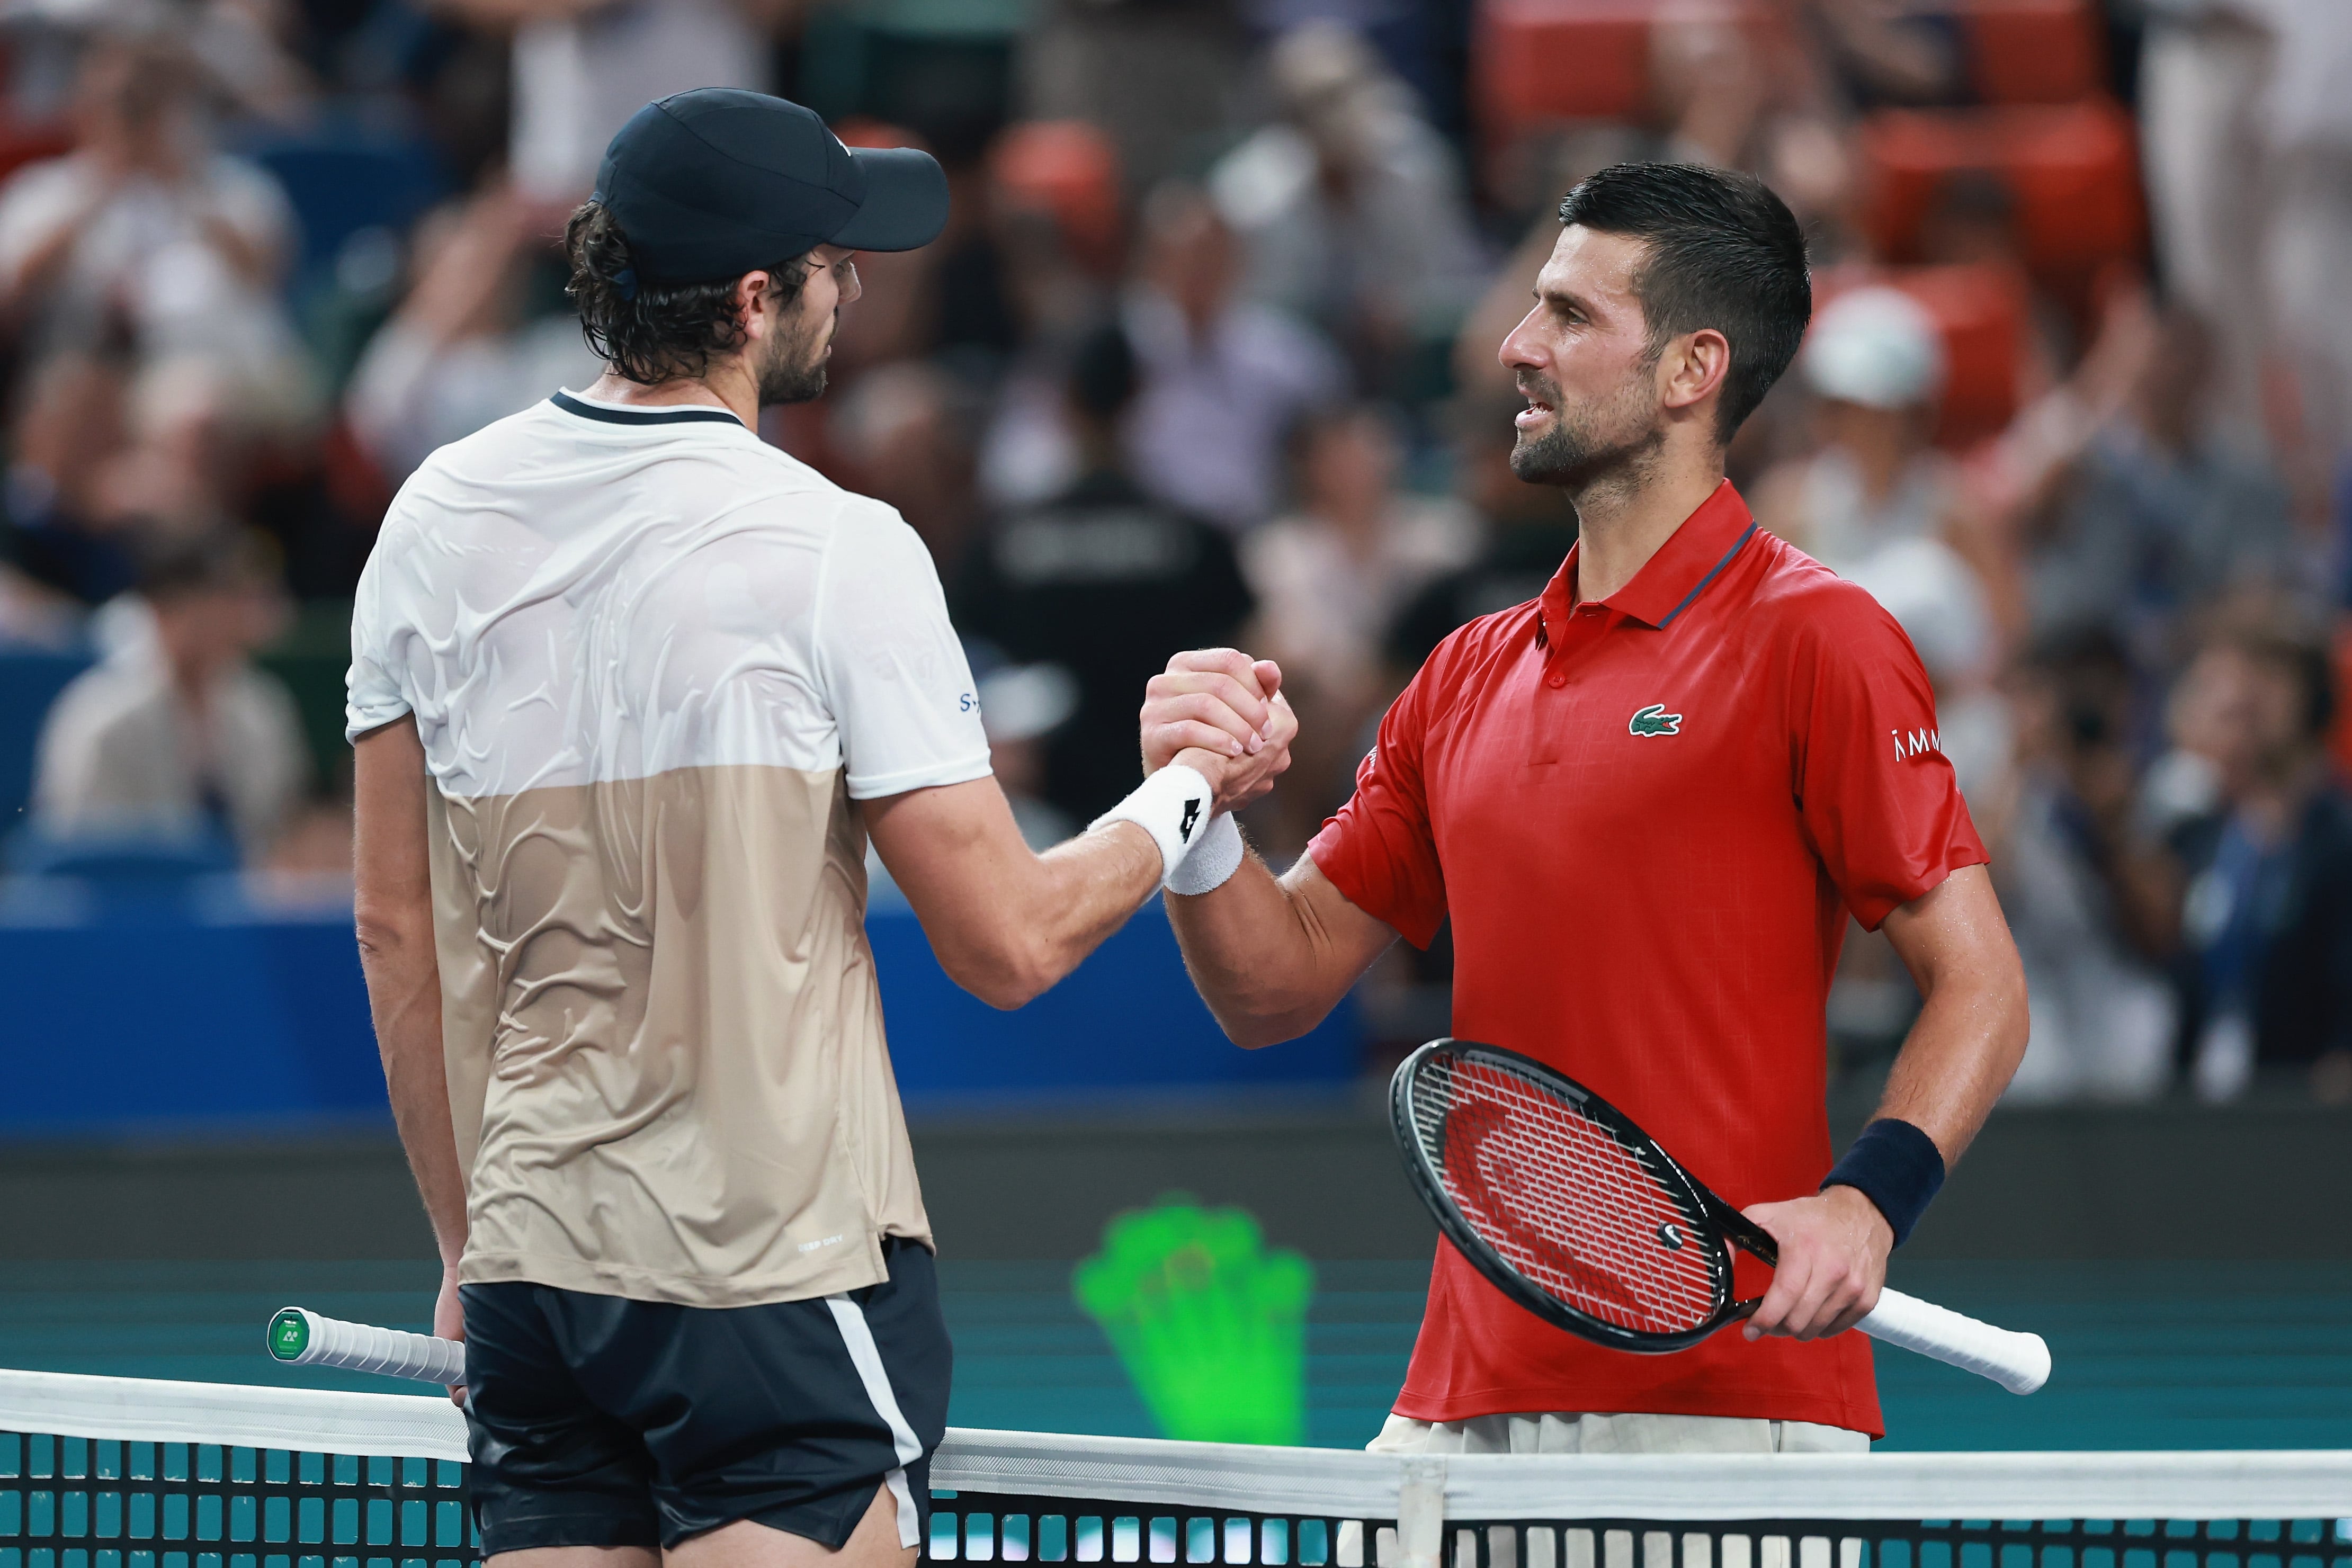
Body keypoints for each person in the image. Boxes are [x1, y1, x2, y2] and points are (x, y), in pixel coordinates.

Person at [344, 91, 1288, 1568]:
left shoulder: (430, 518)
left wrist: (470, 1249)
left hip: (535, 1276)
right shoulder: (840, 545)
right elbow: (1011, 943)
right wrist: (1189, 794)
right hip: (766, 1279)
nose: (856, 286)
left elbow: (397, 927)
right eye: (833, 262)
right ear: (752, 299)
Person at [1140, 163, 2029, 1453]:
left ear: (1690, 372)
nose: (1515, 344)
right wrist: (1195, 813)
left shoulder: (1818, 638)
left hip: (1730, 1430)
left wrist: (1864, 1205)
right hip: (1456, 1413)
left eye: (1567, 316)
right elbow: (1272, 986)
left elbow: (1982, 984)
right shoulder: (1459, 672)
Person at [953, 320, 1255, 826]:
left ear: (1062, 399)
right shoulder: (1196, 539)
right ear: (1139, 397)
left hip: (1034, 814)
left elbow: (963, 669)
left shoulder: (1001, 541)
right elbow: (1245, 673)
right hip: (1175, 804)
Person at [2166, 627, 2352, 1105]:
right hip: (2204, 1100)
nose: (2249, 702)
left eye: (2270, 681)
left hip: (2303, 1104)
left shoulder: (2334, 836)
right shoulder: (2204, 835)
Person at [33, 531, 305, 857]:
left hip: (244, 905)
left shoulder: (263, 707)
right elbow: (84, 860)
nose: (232, 617)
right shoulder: (102, 720)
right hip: (131, 903)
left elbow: (284, 838)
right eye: (218, 599)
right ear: (162, 609)